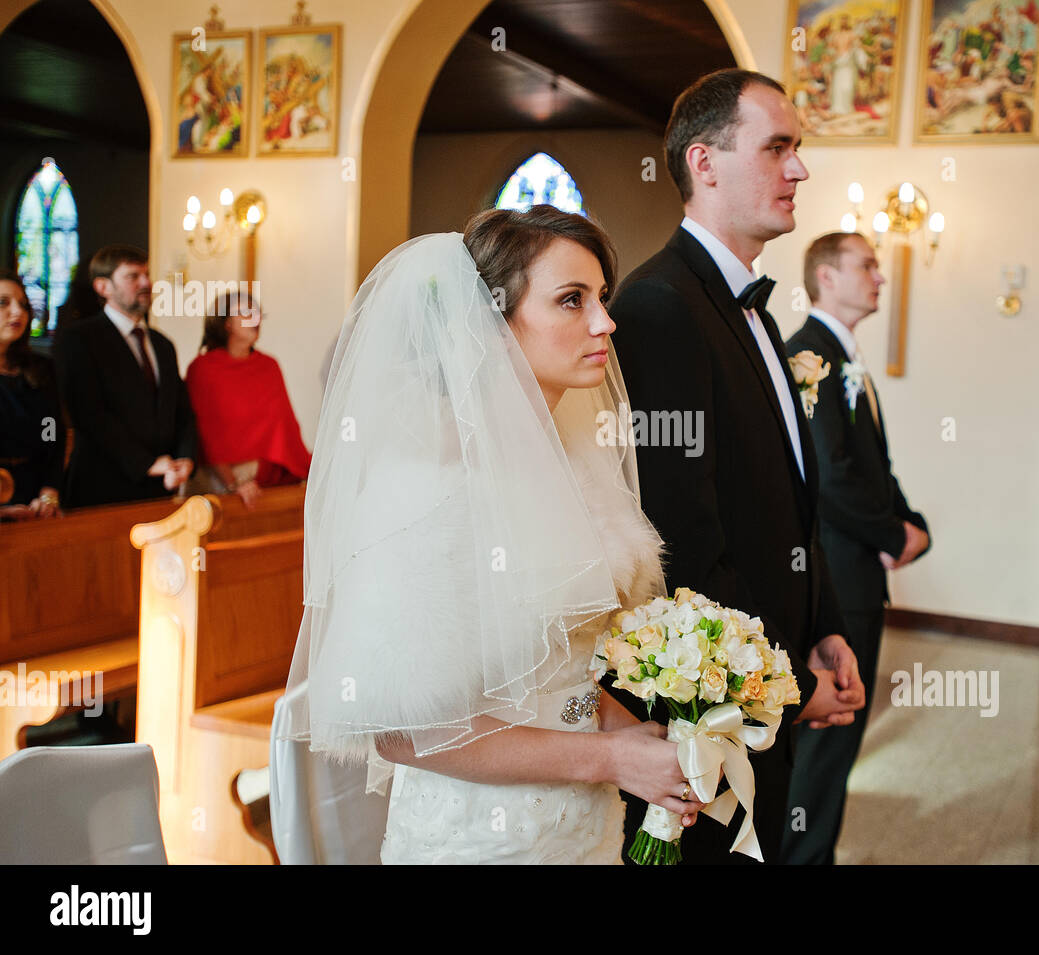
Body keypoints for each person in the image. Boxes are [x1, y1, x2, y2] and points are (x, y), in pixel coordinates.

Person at [277, 205, 709, 864]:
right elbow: (403, 732)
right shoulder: (431, 483)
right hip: (480, 838)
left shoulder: (572, 458)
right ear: (490, 322)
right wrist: (606, 757)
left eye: (601, 298)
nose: (605, 323)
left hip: (581, 823)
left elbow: (557, 670)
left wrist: (638, 740)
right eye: (572, 300)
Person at [603, 68, 867, 865]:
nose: (800, 169)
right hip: (710, 713)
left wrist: (824, 627)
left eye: (800, 149)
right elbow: (683, 536)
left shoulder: (752, 308)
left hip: (775, 666)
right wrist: (786, 684)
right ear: (704, 162)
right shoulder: (661, 305)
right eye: (778, 147)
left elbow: (786, 501)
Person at [782, 231, 930, 864]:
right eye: (866, 266)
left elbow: (874, 463)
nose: (880, 277)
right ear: (827, 279)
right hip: (838, 576)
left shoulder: (846, 357)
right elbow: (830, 476)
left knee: (842, 735)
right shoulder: (806, 357)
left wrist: (912, 521)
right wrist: (895, 536)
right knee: (829, 735)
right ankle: (804, 857)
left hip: (858, 571)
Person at [54, 245, 196, 508]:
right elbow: (89, 415)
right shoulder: (79, 340)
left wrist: (185, 458)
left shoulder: (163, 344)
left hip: (159, 488)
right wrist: (146, 464)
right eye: (133, 276)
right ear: (103, 287)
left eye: (147, 274)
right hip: (102, 487)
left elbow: (181, 411)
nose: (146, 282)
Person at [185, 291, 311, 509]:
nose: (257, 319)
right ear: (225, 323)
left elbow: (285, 428)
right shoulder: (203, 369)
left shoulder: (269, 366)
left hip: (270, 476)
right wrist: (233, 484)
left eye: (258, 313)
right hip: (220, 480)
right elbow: (205, 434)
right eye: (246, 313)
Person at [0, 273, 64, 521]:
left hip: (36, 501)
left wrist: (49, 491)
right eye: (3, 303)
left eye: (24, 305)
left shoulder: (41, 369)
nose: (18, 312)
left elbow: (51, 435)